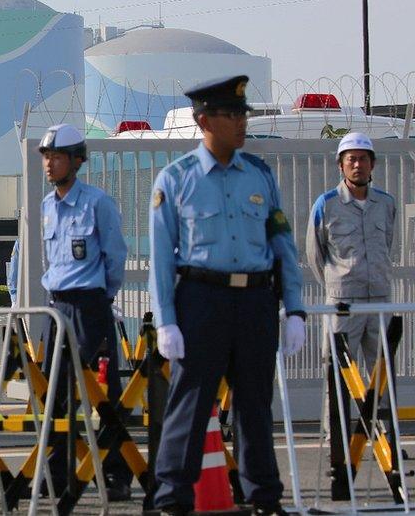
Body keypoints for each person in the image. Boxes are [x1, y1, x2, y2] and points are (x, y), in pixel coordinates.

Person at [148, 75, 306, 515]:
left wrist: (295, 309)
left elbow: (282, 244)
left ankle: (264, 498)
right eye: (232, 114)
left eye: (243, 114)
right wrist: (166, 320)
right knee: (190, 403)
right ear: (204, 120)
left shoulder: (259, 174)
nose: (241, 123)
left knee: (255, 403)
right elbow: (162, 258)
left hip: (255, 300)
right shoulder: (176, 179)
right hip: (201, 298)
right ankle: (172, 499)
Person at [37, 123, 132, 501]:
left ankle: (115, 474)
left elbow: (115, 258)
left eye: (56, 157)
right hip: (57, 306)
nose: (49, 164)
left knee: (102, 395)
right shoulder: (46, 207)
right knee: (55, 395)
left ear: (76, 161)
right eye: (46, 157)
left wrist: (100, 298)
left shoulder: (97, 204)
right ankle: (58, 472)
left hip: (90, 307)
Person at [305, 131, 396, 499]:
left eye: (363, 158)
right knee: (339, 375)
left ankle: (384, 440)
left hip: (380, 300)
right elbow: (315, 254)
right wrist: (335, 284)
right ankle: (338, 444)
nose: (357, 164)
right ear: (341, 165)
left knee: (381, 371)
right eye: (351, 159)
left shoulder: (386, 203)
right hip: (343, 303)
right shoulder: (325, 204)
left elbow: (388, 243)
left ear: (373, 164)